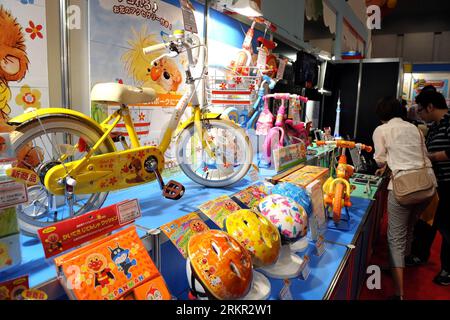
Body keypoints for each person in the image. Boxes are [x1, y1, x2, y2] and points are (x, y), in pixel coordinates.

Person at [372, 97, 437, 299]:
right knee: (409, 228)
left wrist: (385, 165)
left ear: (382, 115)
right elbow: (422, 154)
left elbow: (380, 158)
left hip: (404, 189)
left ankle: (399, 293)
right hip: (428, 186)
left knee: (395, 238)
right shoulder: (415, 128)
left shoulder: (382, 130)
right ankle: (400, 264)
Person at [411, 90, 450, 286]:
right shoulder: (434, 127)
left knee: (446, 227)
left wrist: (432, 157)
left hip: (448, 184)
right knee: (427, 221)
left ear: (430, 107)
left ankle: (448, 270)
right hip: (434, 183)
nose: (419, 114)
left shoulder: (449, 122)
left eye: (420, 110)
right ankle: (419, 255)